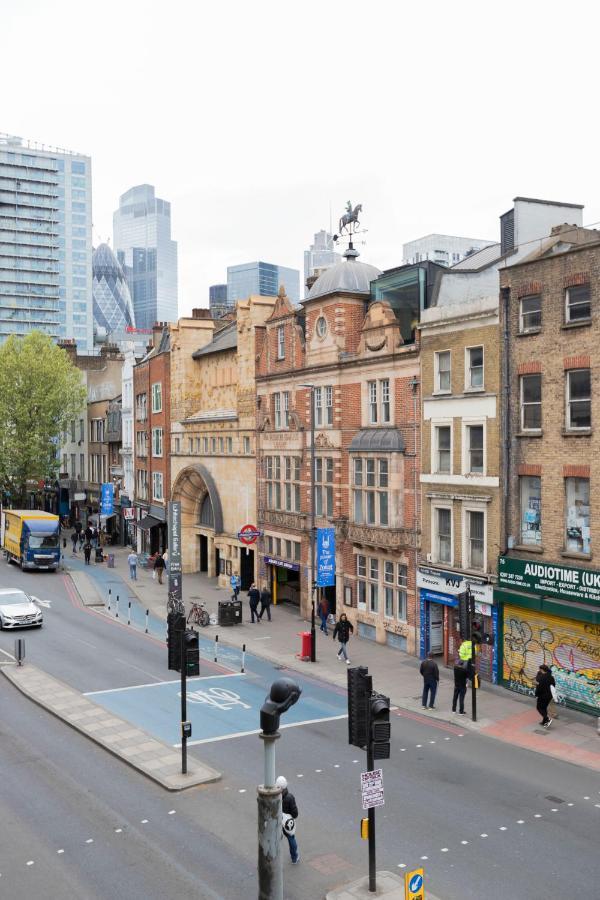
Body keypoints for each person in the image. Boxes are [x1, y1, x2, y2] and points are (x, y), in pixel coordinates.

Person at [276, 776, 300, 865]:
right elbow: (295, 814)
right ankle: (294, 857)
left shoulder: (275, 796)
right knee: (291, 838)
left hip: (277, 822)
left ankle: (275, 859)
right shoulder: (290, 797)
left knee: (276, 839)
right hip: (286, 823)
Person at [535, 663, 555, 728]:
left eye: (540, 670)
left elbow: (539, 687)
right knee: (544, 708)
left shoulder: (542, 677)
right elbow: (553, 685)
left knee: (539, 707)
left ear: (542, 670)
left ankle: (547, 719)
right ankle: (544, 722)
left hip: (542, 695)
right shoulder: (551, 677)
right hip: (549, 696)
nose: (539, 671)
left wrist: (536, 695)